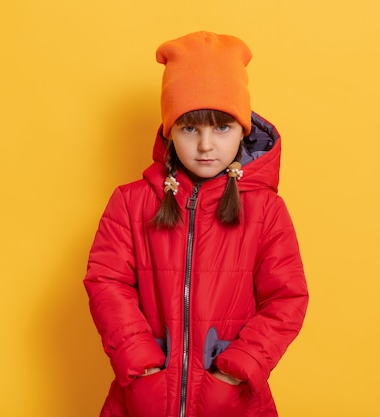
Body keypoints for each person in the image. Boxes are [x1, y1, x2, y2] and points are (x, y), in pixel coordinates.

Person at [84, 31, 308, 417]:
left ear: (244, 130)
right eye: (190, 128)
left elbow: (286, 298)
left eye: (222, 127)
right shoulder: (130, 202)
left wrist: (239, 368)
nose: (206, 145)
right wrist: (141, 361)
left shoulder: (267, 210)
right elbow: (106, 281)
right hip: (145, 395)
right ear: (170, 131)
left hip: (231, 400)